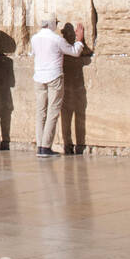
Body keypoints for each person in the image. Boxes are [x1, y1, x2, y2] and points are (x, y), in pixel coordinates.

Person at [30, 14, 86, 158]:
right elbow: (75, 52)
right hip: (54, 77)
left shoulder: (34, 38)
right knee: (53, 111)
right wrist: (79, 40)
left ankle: (40, 145)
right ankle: (45, 147)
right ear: (52, 24)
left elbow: (33, 54)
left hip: (39, 77)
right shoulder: (57, 40)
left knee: (41, 112)